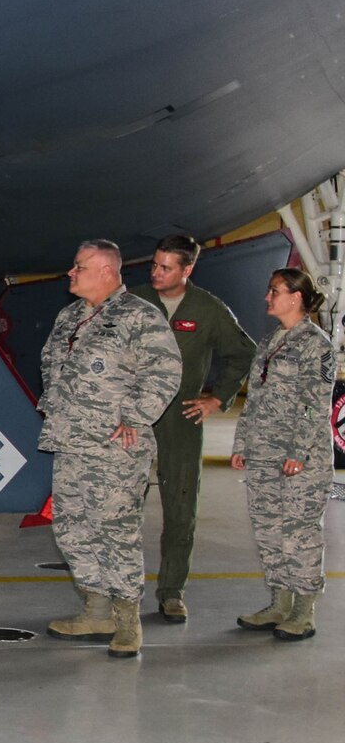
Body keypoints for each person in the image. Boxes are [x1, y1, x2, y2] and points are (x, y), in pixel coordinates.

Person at [39, 239, 182, 659]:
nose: (71, 272)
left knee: (115, 532)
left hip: (115, 448)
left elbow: (166, 371)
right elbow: (52, 365)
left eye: (79, 266)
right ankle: (96, 610)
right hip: (71, 442)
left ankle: (127, 622)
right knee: (71, 528)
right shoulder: (70, 317)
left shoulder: (139, 316)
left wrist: (136, 417)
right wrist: (56, 407)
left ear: (105, 270)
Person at [128, 234, 255, 622]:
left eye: (166, 267)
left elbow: (243, 352)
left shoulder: (207, 308)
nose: (156, 273)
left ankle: (171, 592)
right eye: (154, 264)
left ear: (188, 270)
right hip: (132, 417)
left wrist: (218, 397)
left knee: (181, 505)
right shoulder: (131, 302)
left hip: (181, 416)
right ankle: (119, 591)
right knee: (118, 504)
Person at [230, 268, 337, 641]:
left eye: (274, 291)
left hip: (299, 460)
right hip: (263, 455)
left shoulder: (316, 344)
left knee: (299, 534)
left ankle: (303, 612)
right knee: (269, 531)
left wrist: (300, 452)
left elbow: (315, 404)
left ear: (296, 298)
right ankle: (279, 603)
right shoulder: (271, 340)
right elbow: (254, 399)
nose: (267, 297)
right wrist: (242, 444)